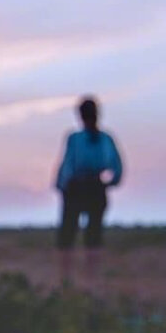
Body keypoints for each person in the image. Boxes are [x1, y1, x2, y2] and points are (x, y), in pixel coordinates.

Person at [54, 96, 123, 280]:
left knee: (68, 235)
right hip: (95, 188)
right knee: (93, 235)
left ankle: (67, 279)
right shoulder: (106, 138)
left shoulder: (76, 138)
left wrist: (62, 186)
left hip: (77, 188)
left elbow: (67, 165)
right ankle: (91, 279)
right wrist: (109, 183)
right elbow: (118, 167)